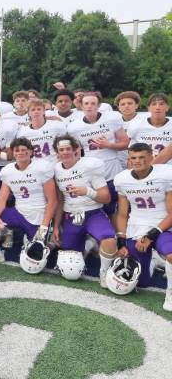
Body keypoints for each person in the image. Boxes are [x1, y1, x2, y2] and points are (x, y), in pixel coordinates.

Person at [0, 138, 57, 263]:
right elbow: (2, 198)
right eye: (17, 150)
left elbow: (52, 201)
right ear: (13, 153)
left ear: (31, 152)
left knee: (36, 258)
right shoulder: (8, 171)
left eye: (24, 150)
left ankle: (49, 242)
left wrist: (43, 227)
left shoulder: (42, 168)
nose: (20, 153)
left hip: (38, 217)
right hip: (19, 212)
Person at [52, 135, 117, 287]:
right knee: (70, 267)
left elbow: (106, 198)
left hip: (92, 213)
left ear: (76, 150)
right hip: (72, 216)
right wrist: (56, 226)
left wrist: (88, 191)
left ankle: (104, 273)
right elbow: (60, 200)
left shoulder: (90, 166)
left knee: (109, 240)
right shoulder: (56, 170)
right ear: (57, 153)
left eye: (68, 149)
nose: (65, 152)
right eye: (61, 150)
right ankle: (90, 244)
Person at [114, 142, 172, 310]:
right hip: (137, 227)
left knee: (171, 254)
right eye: (133, 158)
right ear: (129, 160)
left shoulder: (165, 175)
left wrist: (151, 236)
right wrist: (121, 241)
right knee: (142, 283)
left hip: (163, 226)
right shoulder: (122, 179)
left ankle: (170, 294)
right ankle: (154, 261)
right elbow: (123, 214)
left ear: (151, 158)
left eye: (142, 157)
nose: (137, 161)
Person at [68, 92, 130, 216]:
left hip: (112, 169)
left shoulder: (112, 118)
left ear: (99, 105)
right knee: (98, 207)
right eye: (86, 103)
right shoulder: (74, 127)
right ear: (81, 105)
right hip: (91, 172)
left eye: (93, 103)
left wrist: (109, 145)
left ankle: (119, 233)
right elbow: (76, 153)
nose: (89, 106)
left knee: (117, 207)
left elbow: (126, 143)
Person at [17, 99, 66, 164]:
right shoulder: (22, 131)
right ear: (28, 113)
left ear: (44, 111)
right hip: (34, 166)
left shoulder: (56, 125)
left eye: (39, 109)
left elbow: (67, 145)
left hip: (54, 164)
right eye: (33, 110)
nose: (36, 112)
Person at [127, 93, 172, 161]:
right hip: (143, 167)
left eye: (161, 104)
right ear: (148, 108)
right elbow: (130, 152)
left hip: (168, 168)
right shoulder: (137, 125)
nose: (157, 107)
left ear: (167, 107)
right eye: (154, 104)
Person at [114, 91, 143, 168]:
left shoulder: (145, 120)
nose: (126, 106)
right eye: (122, 104)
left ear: (136, 105)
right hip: (119, 162)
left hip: (139, 161)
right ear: (118, 107)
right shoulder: (114, 121)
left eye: (130, 103)